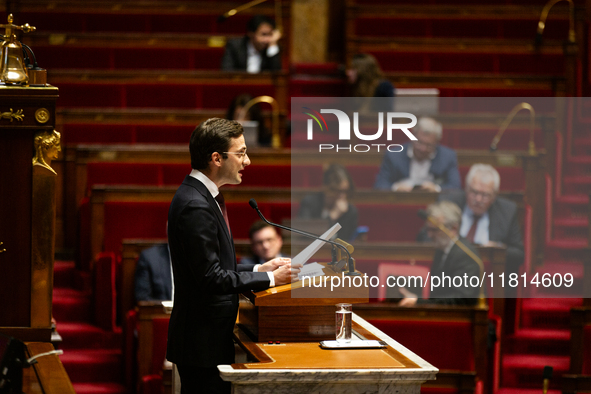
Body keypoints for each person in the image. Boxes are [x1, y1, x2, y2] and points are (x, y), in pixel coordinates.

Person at [166, 118, 298, 394]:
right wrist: (270, 279)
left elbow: (213, 265)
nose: (247, 161)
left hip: (207, 340)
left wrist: (260, 268)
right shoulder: (194, 204)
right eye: (241, 153)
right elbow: (209, 277)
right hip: (202, 343)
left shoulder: (202, 196)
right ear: (216, 158)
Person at [439, 164, 524, 277]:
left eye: (485, 195)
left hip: (489, 277)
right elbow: (424, 237)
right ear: (466, 188)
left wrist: (497, 249)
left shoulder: (507, 211)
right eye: (474, 192)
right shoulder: (448, 202)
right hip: (449, 273)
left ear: (494, 196)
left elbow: (519, 254)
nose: (478, 199)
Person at [398, 201, 480, 307]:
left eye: (434, 230)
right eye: (428, 229)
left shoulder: (465, 255)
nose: (429, 235)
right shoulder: (441, 251)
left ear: (453, 229)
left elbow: (460, 299)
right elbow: (438, 294)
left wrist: (419, 302)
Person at [374, 117, 461, 192]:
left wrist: (436, 188)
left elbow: (455, 187)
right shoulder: (393, 155)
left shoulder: (447, 157)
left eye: (429, 145)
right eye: (419, 142)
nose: (422, 149)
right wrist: (396, 188)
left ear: (437, 142)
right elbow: (380, 185)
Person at [298, 163, 358, 242]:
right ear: (326, 188)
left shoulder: (350, 211)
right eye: (338, 191)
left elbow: (347, 241)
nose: (343, 196)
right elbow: (304, 236)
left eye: (345, 191)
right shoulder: (309, 203)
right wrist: (332, 216)